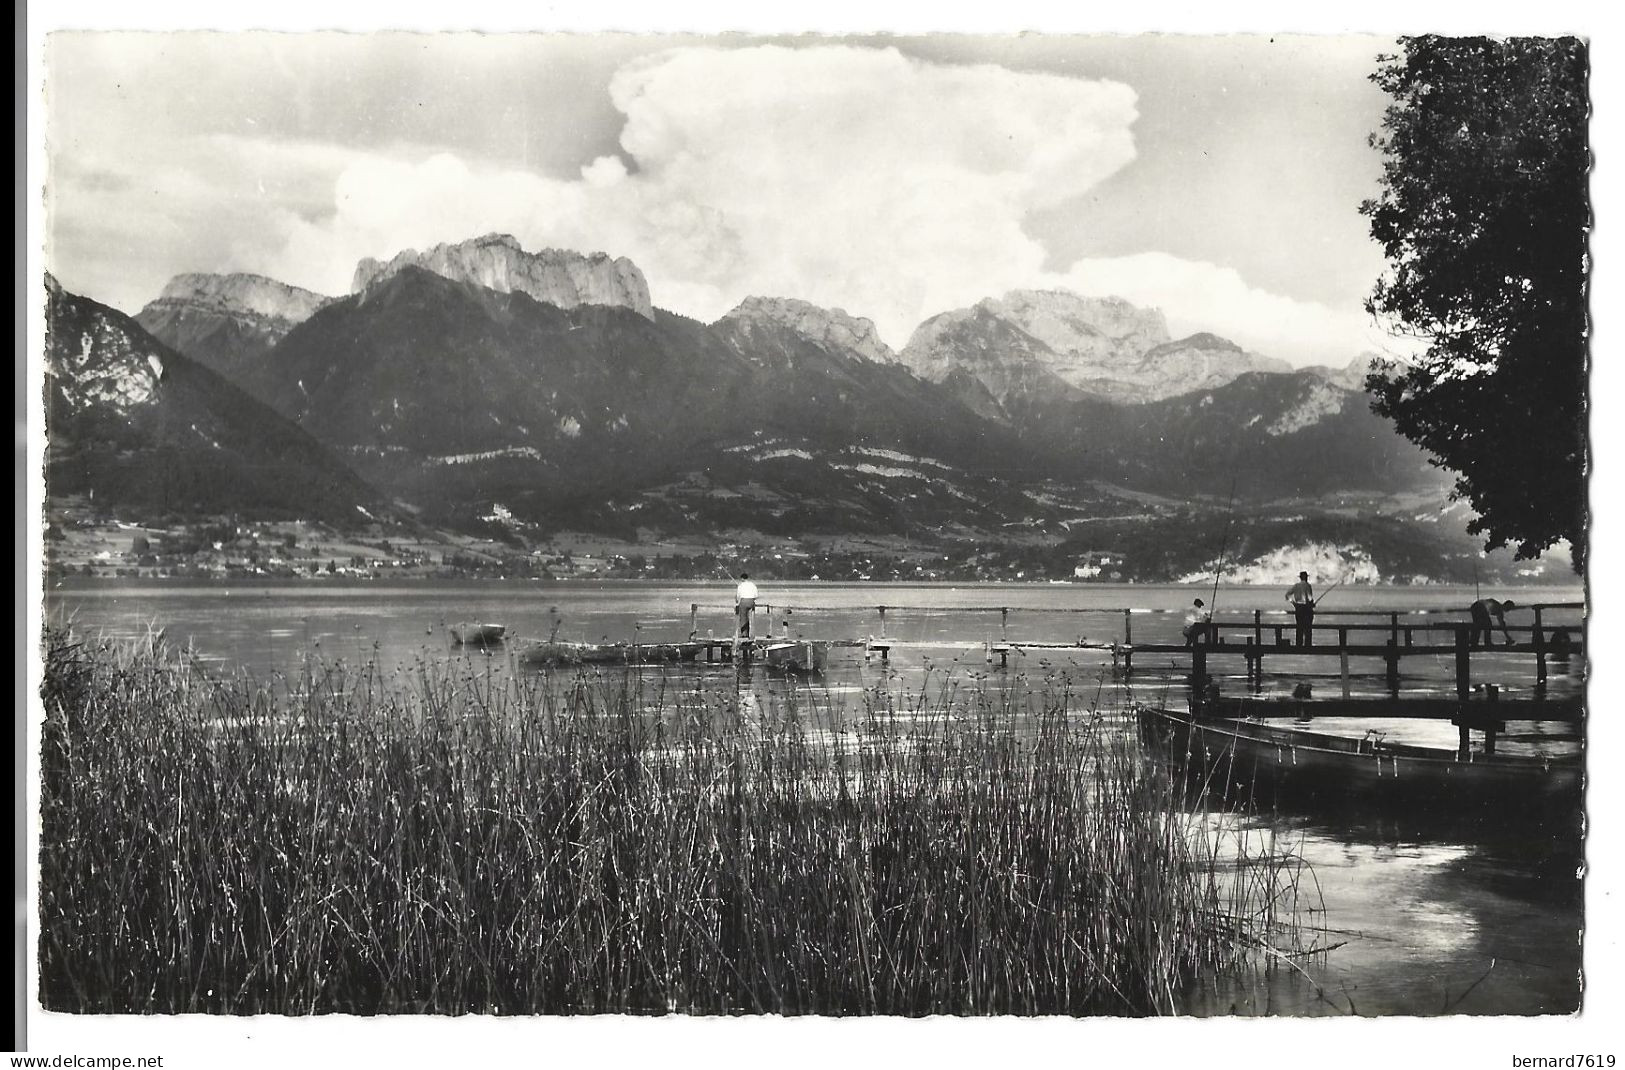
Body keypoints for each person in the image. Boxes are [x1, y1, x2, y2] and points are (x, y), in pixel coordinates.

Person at [1286, 571, 1315, 647]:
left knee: (1299, 627)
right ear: (1306, 577)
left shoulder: (1296, 586)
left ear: (1300, 578)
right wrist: (1312, 603)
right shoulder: (1308, 586)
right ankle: (1307, 645)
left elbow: (1287, 595)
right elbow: (1309, 597)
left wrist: (1293, 603)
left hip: (1298, 608)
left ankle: (1299, 644)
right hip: (1306, 608)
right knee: (1308, 628)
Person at [734, 573, 759, 641]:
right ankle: (751, 634)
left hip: (744, 602)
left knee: (743, 618)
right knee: (751, 619)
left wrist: (736, 600)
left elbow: (737, 597)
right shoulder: (753, 585)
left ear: (742, 578)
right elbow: (756, 596)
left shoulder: (740, 585)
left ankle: (745, 634)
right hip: (751, 602)